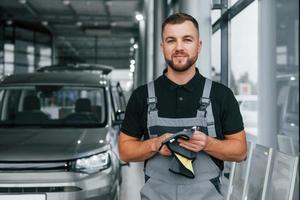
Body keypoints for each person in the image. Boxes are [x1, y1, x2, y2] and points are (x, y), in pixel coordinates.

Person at [119, 13, 247, 200]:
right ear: (163, 46)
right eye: (171, 40)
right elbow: (124, 151)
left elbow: (240, 151)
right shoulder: (142, 96)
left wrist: (207, 143)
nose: (179, 47)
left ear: (199, 45)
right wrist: (155, 144)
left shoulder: (221, 95)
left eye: (187, 40)